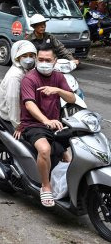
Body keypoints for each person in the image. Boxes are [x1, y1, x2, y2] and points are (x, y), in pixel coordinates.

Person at [19, 46, 76, 207]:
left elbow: (71, 98)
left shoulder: (58, 77)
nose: (44, 63)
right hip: (33, 124)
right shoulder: (29, 79)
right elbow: (29, 105)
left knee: (70, 153)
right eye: (41, 59)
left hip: (55, 123)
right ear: (36, 59)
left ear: (55, 61)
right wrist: (45, 121)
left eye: (48, 60)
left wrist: (57, 90)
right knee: (44, 149)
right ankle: (46, 187)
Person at [0, 40, 37, 135]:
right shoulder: (15, 76)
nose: (28, 59)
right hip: (11, 118)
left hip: (25, 115)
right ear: (17, 58)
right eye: (24, 56)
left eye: (31, 56)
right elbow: (13, 101)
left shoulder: (26, 71)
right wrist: (18, 125)